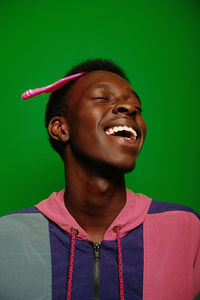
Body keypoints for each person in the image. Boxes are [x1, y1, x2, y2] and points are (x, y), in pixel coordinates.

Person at [0, 59, 199, 300]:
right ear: (61, 129)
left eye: (136, 105)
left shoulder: (187, 229)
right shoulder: (6, 237)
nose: (129, 108)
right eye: (102, 98)